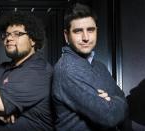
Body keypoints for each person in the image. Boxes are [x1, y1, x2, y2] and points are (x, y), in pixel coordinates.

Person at [0, 12, 54, 131]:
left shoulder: (40, 70)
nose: (9, 38)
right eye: (7, 34)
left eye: (17, 34)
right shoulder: (2, 68)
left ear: (33, 40)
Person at [52, 3, 128, 131]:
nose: (86, 37)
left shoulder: (100, 66)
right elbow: (109, 117)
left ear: (96, 31)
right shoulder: (67, 69)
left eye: (90, 30)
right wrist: (117, 102)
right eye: (78, 31)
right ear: (66, 36)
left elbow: (122, 97)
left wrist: (114, 100)